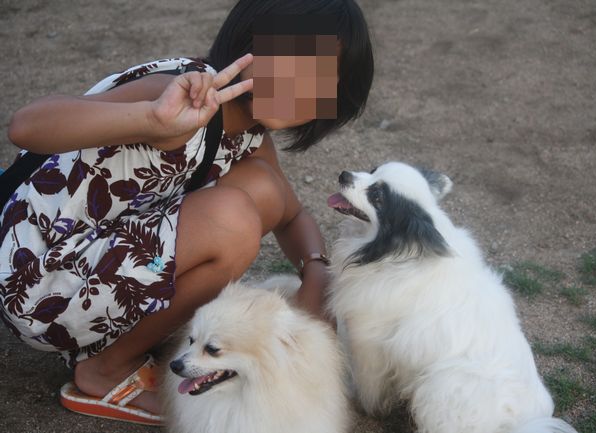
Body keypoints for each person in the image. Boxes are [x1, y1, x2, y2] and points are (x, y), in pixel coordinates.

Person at [0, 0, 373, 424]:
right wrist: (150, 119)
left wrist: (316, 270)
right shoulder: (174, 91)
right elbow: (26, 126)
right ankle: (105, 369)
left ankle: (134, 334)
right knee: (231, 220)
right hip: (34, 279)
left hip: (90, 258)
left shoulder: (249, 135)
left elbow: (291, 216)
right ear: (247, 41)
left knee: (264, 189)